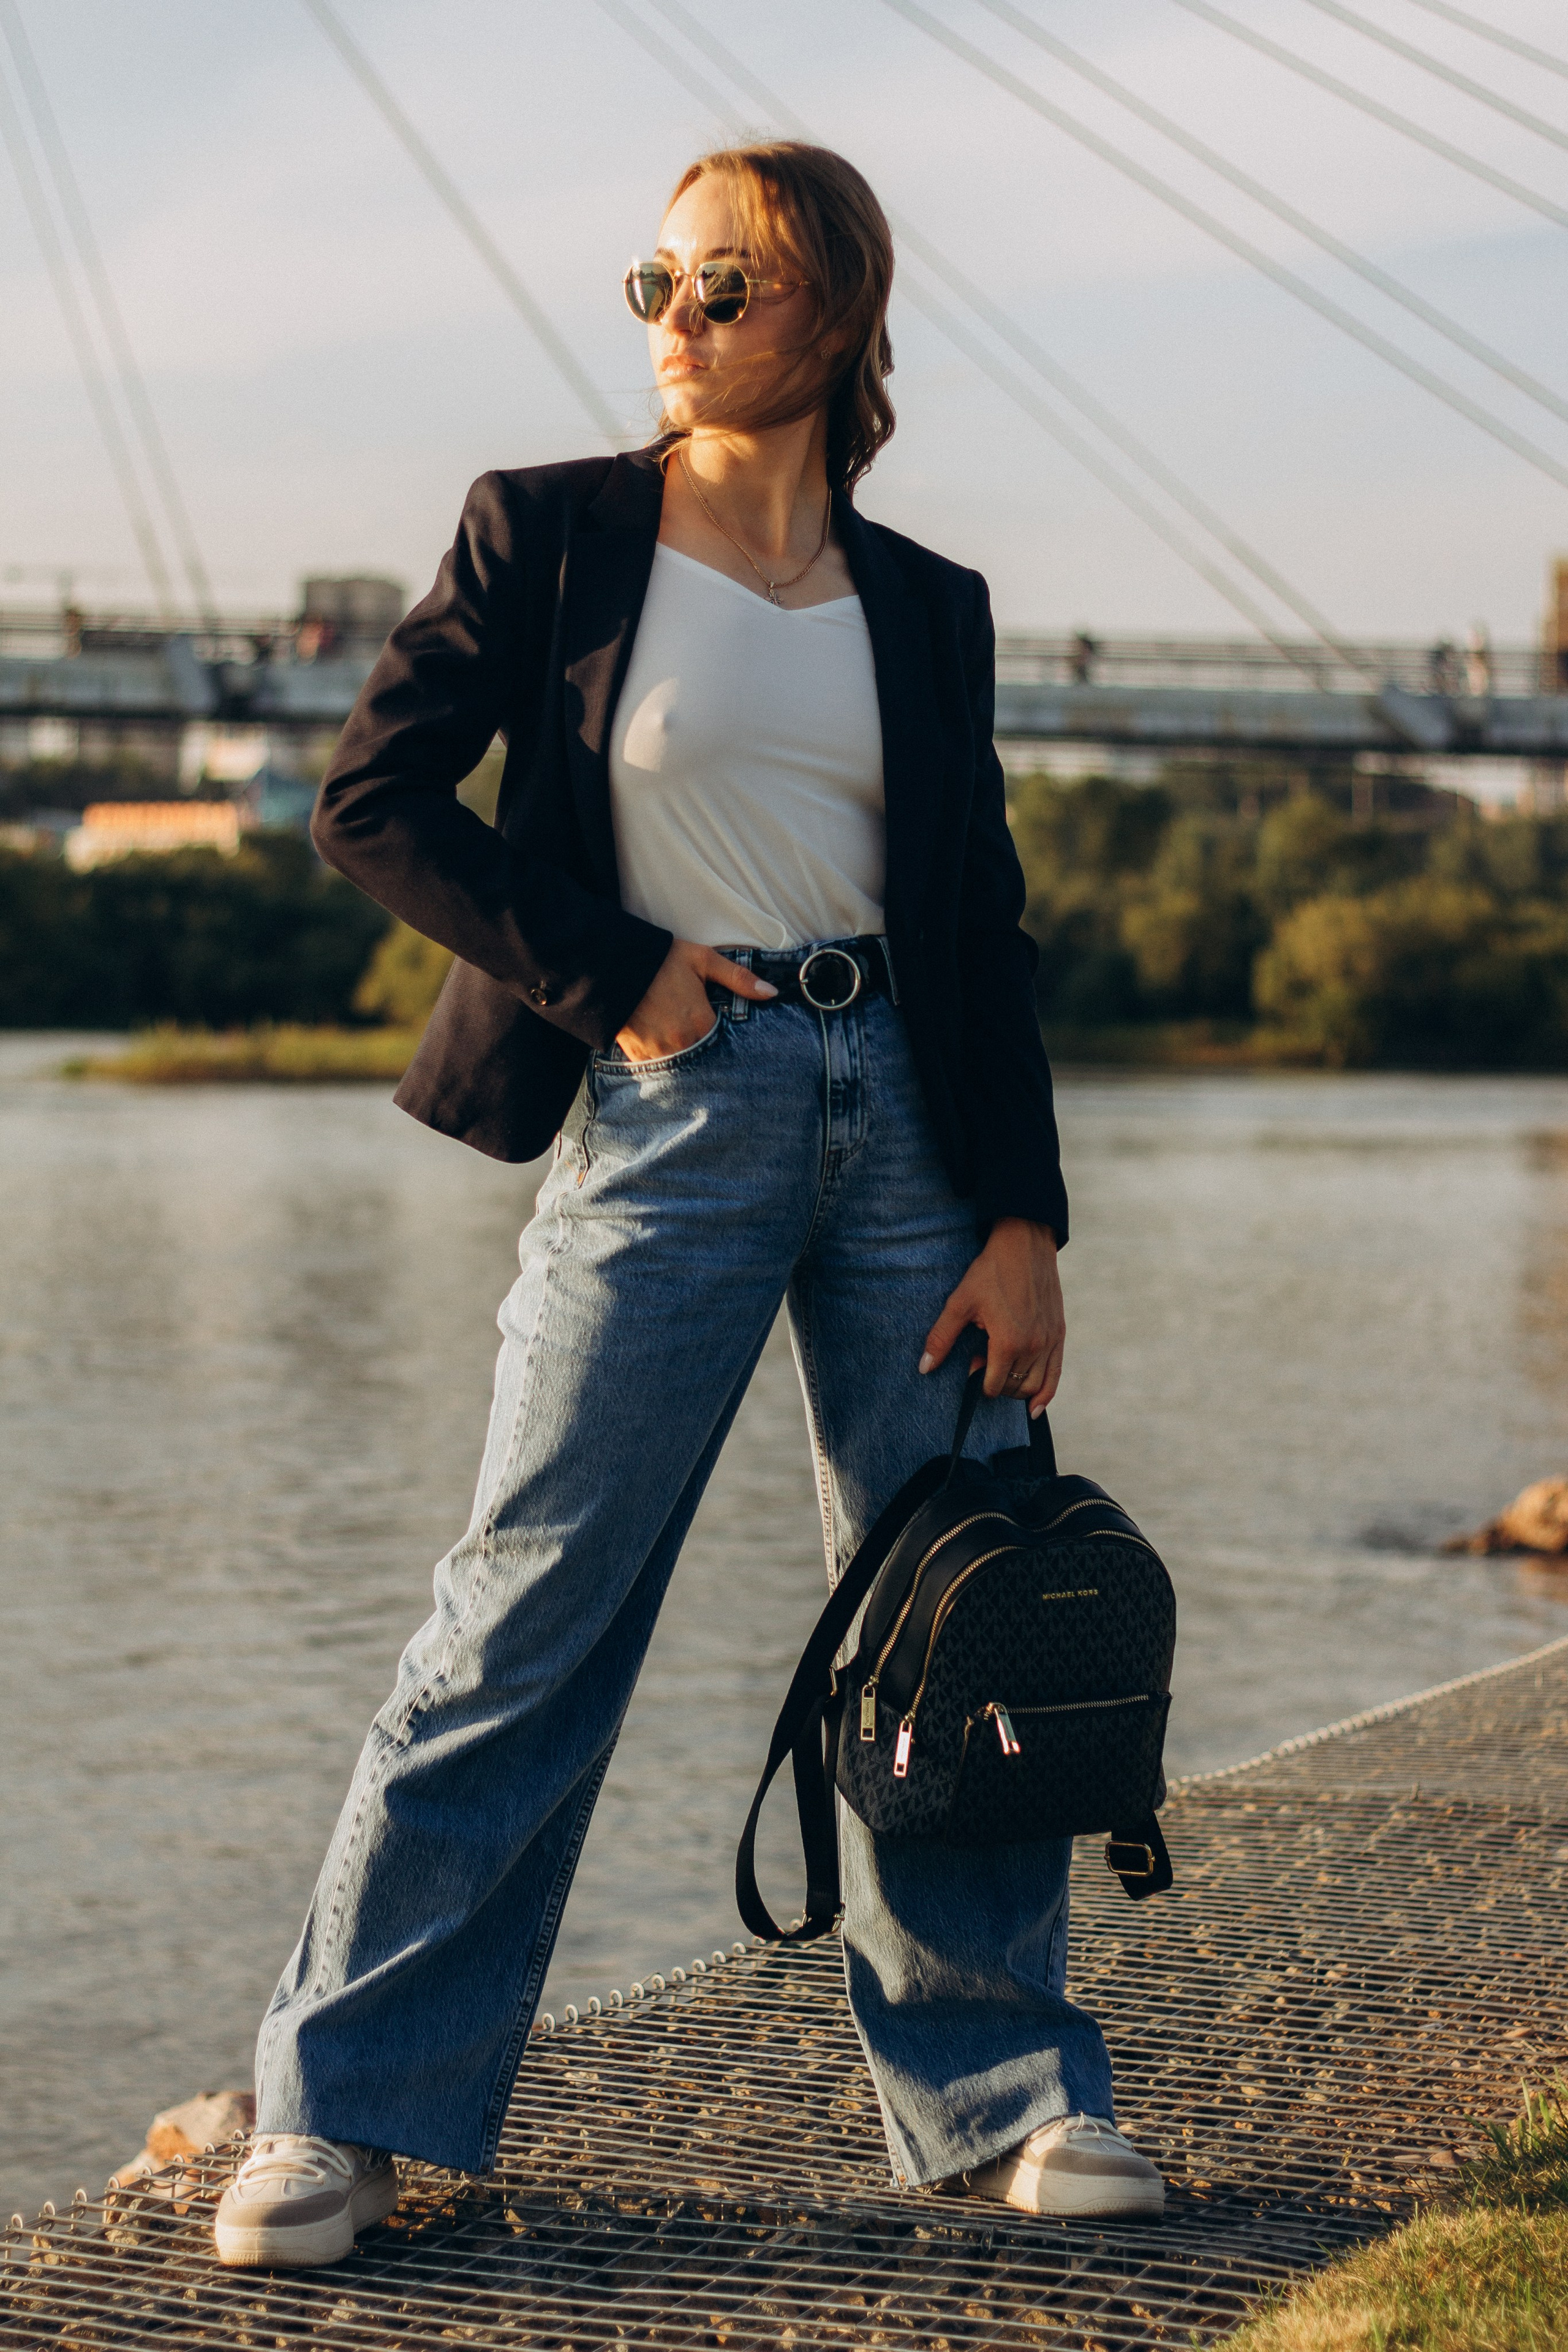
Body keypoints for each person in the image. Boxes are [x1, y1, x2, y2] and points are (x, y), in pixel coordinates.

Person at [214, 140, 1161, 2272]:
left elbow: (983, 921)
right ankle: (340, 2106)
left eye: (726, 286)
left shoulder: (930, 604)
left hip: (917, 1124)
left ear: (836, 311)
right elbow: (371, 800)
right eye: (657, 281)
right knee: (524, 1599)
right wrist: (611, 967)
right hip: (674, 1109)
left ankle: (1006, 2094)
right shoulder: (548, 534)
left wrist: (1027, 1216)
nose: (678, 320)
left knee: (953, 1612)